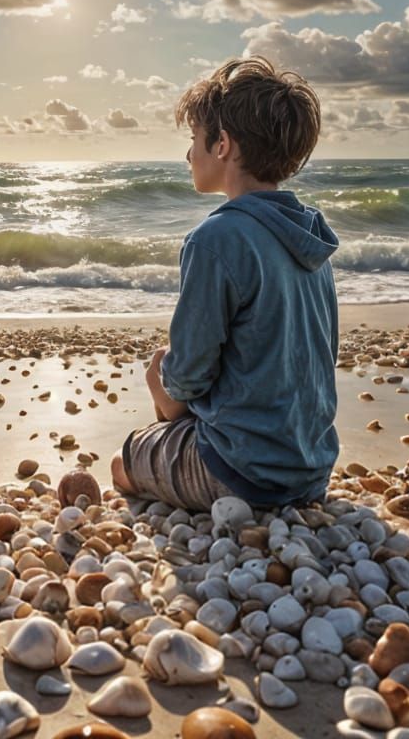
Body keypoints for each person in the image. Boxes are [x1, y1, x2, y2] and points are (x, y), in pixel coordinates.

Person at [110, 56, 340, 510]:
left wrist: (162, 385)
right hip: (311, 468)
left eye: (195, 140)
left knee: (125, 459)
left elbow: (189, 374)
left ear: (223, 145)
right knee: (170, 378)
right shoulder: (309, 235)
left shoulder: (216, 238)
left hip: (243, 472)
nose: (190, 154)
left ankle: (186, 467)